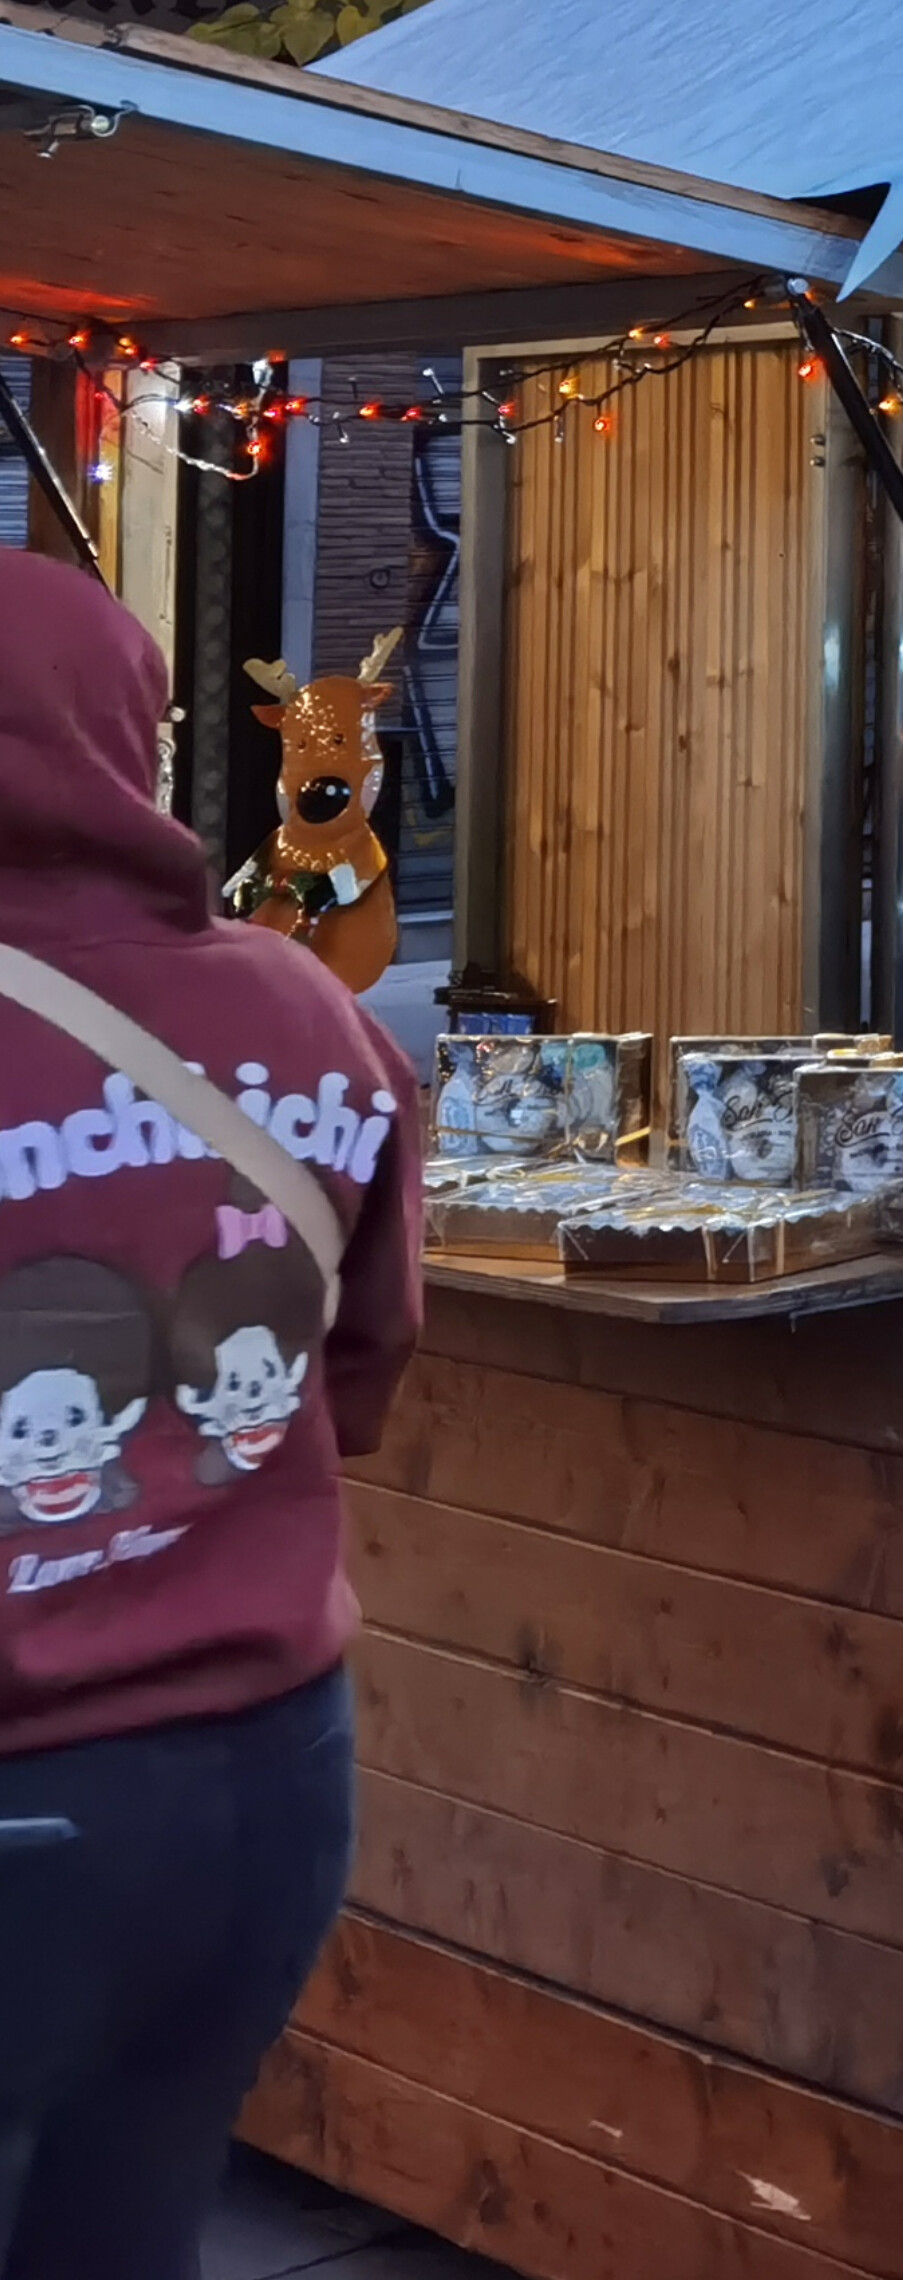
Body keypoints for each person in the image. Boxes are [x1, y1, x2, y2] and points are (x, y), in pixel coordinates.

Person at [0, 550, 424, 2280]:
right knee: (131, 2222)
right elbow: (366, 1365)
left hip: (22, 1780)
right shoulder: (308, 1007)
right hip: (264, 1785)